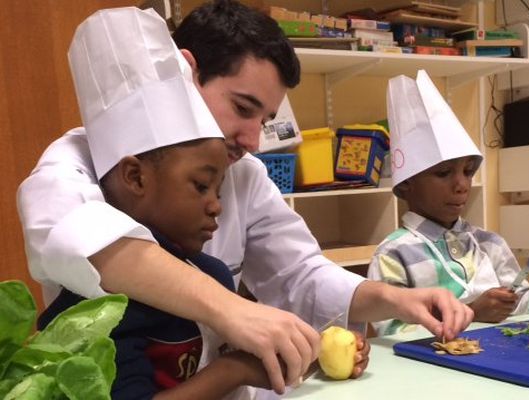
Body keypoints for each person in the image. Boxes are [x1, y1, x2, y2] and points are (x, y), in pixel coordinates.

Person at [17, 1, 472, 394]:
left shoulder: (245, 176)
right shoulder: (70, 164)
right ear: (187, 74)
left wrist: (397, 299)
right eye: (242, 108)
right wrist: (235, 312)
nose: (253, 139)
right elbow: (96, 247)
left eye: (266, 119)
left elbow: (299, 274)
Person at [36, 9, 273, 399]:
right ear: (135, 177)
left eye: (219, 190)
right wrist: (233, 369)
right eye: (200, 186)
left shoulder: (212, 272)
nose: (217, 206)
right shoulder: (92, 309)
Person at [367, 70, 529, 336]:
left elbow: (522, 304)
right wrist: (474, 313)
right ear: (406, 184)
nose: (462, 184)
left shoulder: (489, 243)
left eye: (467, 172)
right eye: (444, 173)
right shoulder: (394, 254)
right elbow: (393, 332)